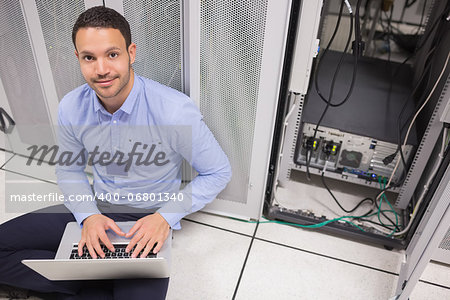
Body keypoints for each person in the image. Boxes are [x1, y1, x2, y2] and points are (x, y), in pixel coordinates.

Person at [0, 6, 231, 300]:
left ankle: (85, 283)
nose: (101, 70)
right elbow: (69, 169)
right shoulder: (72, 106)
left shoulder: (174, 110)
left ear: (131, 53)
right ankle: (80, 283)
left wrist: (164, 218)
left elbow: (218, 171)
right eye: (89, 58)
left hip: (148, 218)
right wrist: (88, 217)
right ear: (78, 59)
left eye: (112, 54)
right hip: (98, 207)